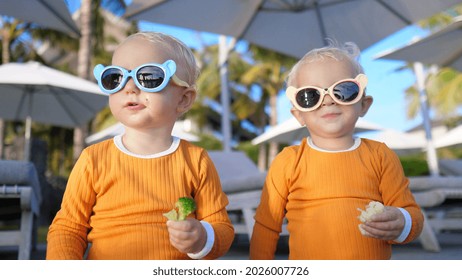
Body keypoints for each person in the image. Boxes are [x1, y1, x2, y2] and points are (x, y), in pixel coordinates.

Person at [46, 31, 234, 260]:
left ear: (183, 99)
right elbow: (68, 228)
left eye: (150, 77)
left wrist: (202, 238)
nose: (130, 87)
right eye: (115, 78)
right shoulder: (93, 159)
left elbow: (221, 226)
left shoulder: (196, 160)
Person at [249, 42, 424, 260]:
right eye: (310, 96)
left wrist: (402, 222)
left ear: (363, 104)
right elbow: (267, 225)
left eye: (344, 90)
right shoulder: (289, 161)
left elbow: (412, 214)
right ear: (299, 115)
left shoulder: (380, 155)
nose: (329, 100)